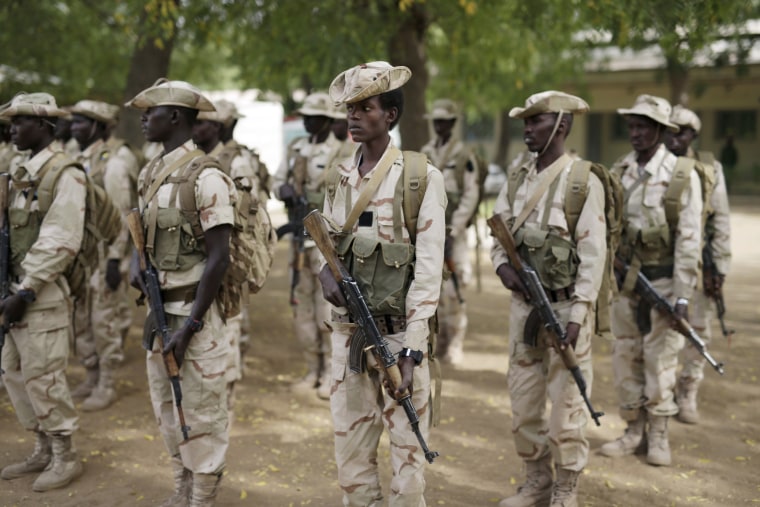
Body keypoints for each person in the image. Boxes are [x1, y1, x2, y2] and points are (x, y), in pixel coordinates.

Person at [317, 61, 446, 506]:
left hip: (398, 337)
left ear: (389, 114)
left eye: (364, 107)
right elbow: (330, 243)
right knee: (351, 460)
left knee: (408, 465)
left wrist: (412, 351)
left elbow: (429, 271)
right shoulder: (339, 176)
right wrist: (325, 274)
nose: (353, 117)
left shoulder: (419, 178)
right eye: (350, 109)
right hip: (349, 337)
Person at [490, 91, 605, 507]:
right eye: (526, 121)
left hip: (565, 309)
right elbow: (497, 234)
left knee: (568, 404)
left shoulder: (582, 181)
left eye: (537, 121)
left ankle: (566, 487)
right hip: (524, 310)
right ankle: (536, 479)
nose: (528, 129)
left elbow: (593, 255)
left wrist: (579, 313)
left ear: (563, 125)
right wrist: (503, 268)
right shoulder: (517, 178)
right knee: (523, 401)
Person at [126, 79, 236, 506]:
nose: (142, 118)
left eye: (150, 111)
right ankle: (182, 487)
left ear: (174, 117)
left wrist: (189, 328)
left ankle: (202, 496)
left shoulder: (206, 176)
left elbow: (219, 258)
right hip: (159, 314)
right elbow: (143, 239)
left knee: (202, 412)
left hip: (195, 318)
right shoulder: (150, 172)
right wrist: (138, 265)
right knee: (167, 408)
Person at [601, 95, 702, 467]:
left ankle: (659, 433)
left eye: (644, 126)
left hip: (663, 283)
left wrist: (682, 295)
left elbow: (690, 238)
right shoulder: (620, 169)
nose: (636, 132)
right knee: (626, 355)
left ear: (660, 131)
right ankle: (633, 430)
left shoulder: (680, 174)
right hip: (625, 284)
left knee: (661, 360)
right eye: (632, 125)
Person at [0, 92, 85, 492]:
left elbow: (61, 240)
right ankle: (42, 447)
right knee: (14, 370)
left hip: (42, 292)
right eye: (12, 121)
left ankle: (65, 455)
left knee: (44, 374)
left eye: (22, 121)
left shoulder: (64, 173)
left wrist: (27, 290)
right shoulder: (20, 171)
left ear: (46, 127)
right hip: (15, 287)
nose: (13, 127)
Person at [68, 100, 139, 411]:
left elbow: (122, 215)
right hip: (80, 256)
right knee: (81, 320)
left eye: (81, 122)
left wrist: (114, 260)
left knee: (103, 321)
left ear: (98, 126)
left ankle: (107, 383)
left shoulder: (114, 164)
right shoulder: (77, 158)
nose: (74, 127)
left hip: (103, 255)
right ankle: (91, 375)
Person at [272, 91, 343, 400]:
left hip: (324, 242)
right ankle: (311, 369)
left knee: (325, 307)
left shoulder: (340, 153)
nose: (308, 121)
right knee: (301, 306)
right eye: (305, 116)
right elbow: (277, 181)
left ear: (327, 120)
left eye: (313, 116)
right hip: (299, 242)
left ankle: (330, 371)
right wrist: (283, 189)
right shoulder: (295, 148)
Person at [192, 99, 259, 422]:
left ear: (216, 127)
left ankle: (226, 408)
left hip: (228, 260)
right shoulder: (193, 160)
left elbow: (249, 215)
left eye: (201, 122)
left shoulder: (236, 160)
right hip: (200, 261)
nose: (194, 128)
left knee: (229, 329)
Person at [665, 105, 731, 424]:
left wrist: (717, 268)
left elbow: (720, 220)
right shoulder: (654, 163)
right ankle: (659, 394)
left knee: (698, 327)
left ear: (694, 135)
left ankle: (688, 389)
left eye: (683, 132)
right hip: (662, 261)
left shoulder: (709, 168)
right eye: (671, 130)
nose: (675, 137)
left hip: (698, 260)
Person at [421, 98, 479, 365]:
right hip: (429, 231)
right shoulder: (426, 152)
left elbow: (470, 195)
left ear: (453, 123)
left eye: (444, 121)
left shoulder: (464, 155)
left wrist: (454, 229)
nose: (439, 125)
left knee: (455, 290)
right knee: (432, 286)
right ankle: (439, 341)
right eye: (436, 121)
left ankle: (455, 344)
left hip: (453, 232)